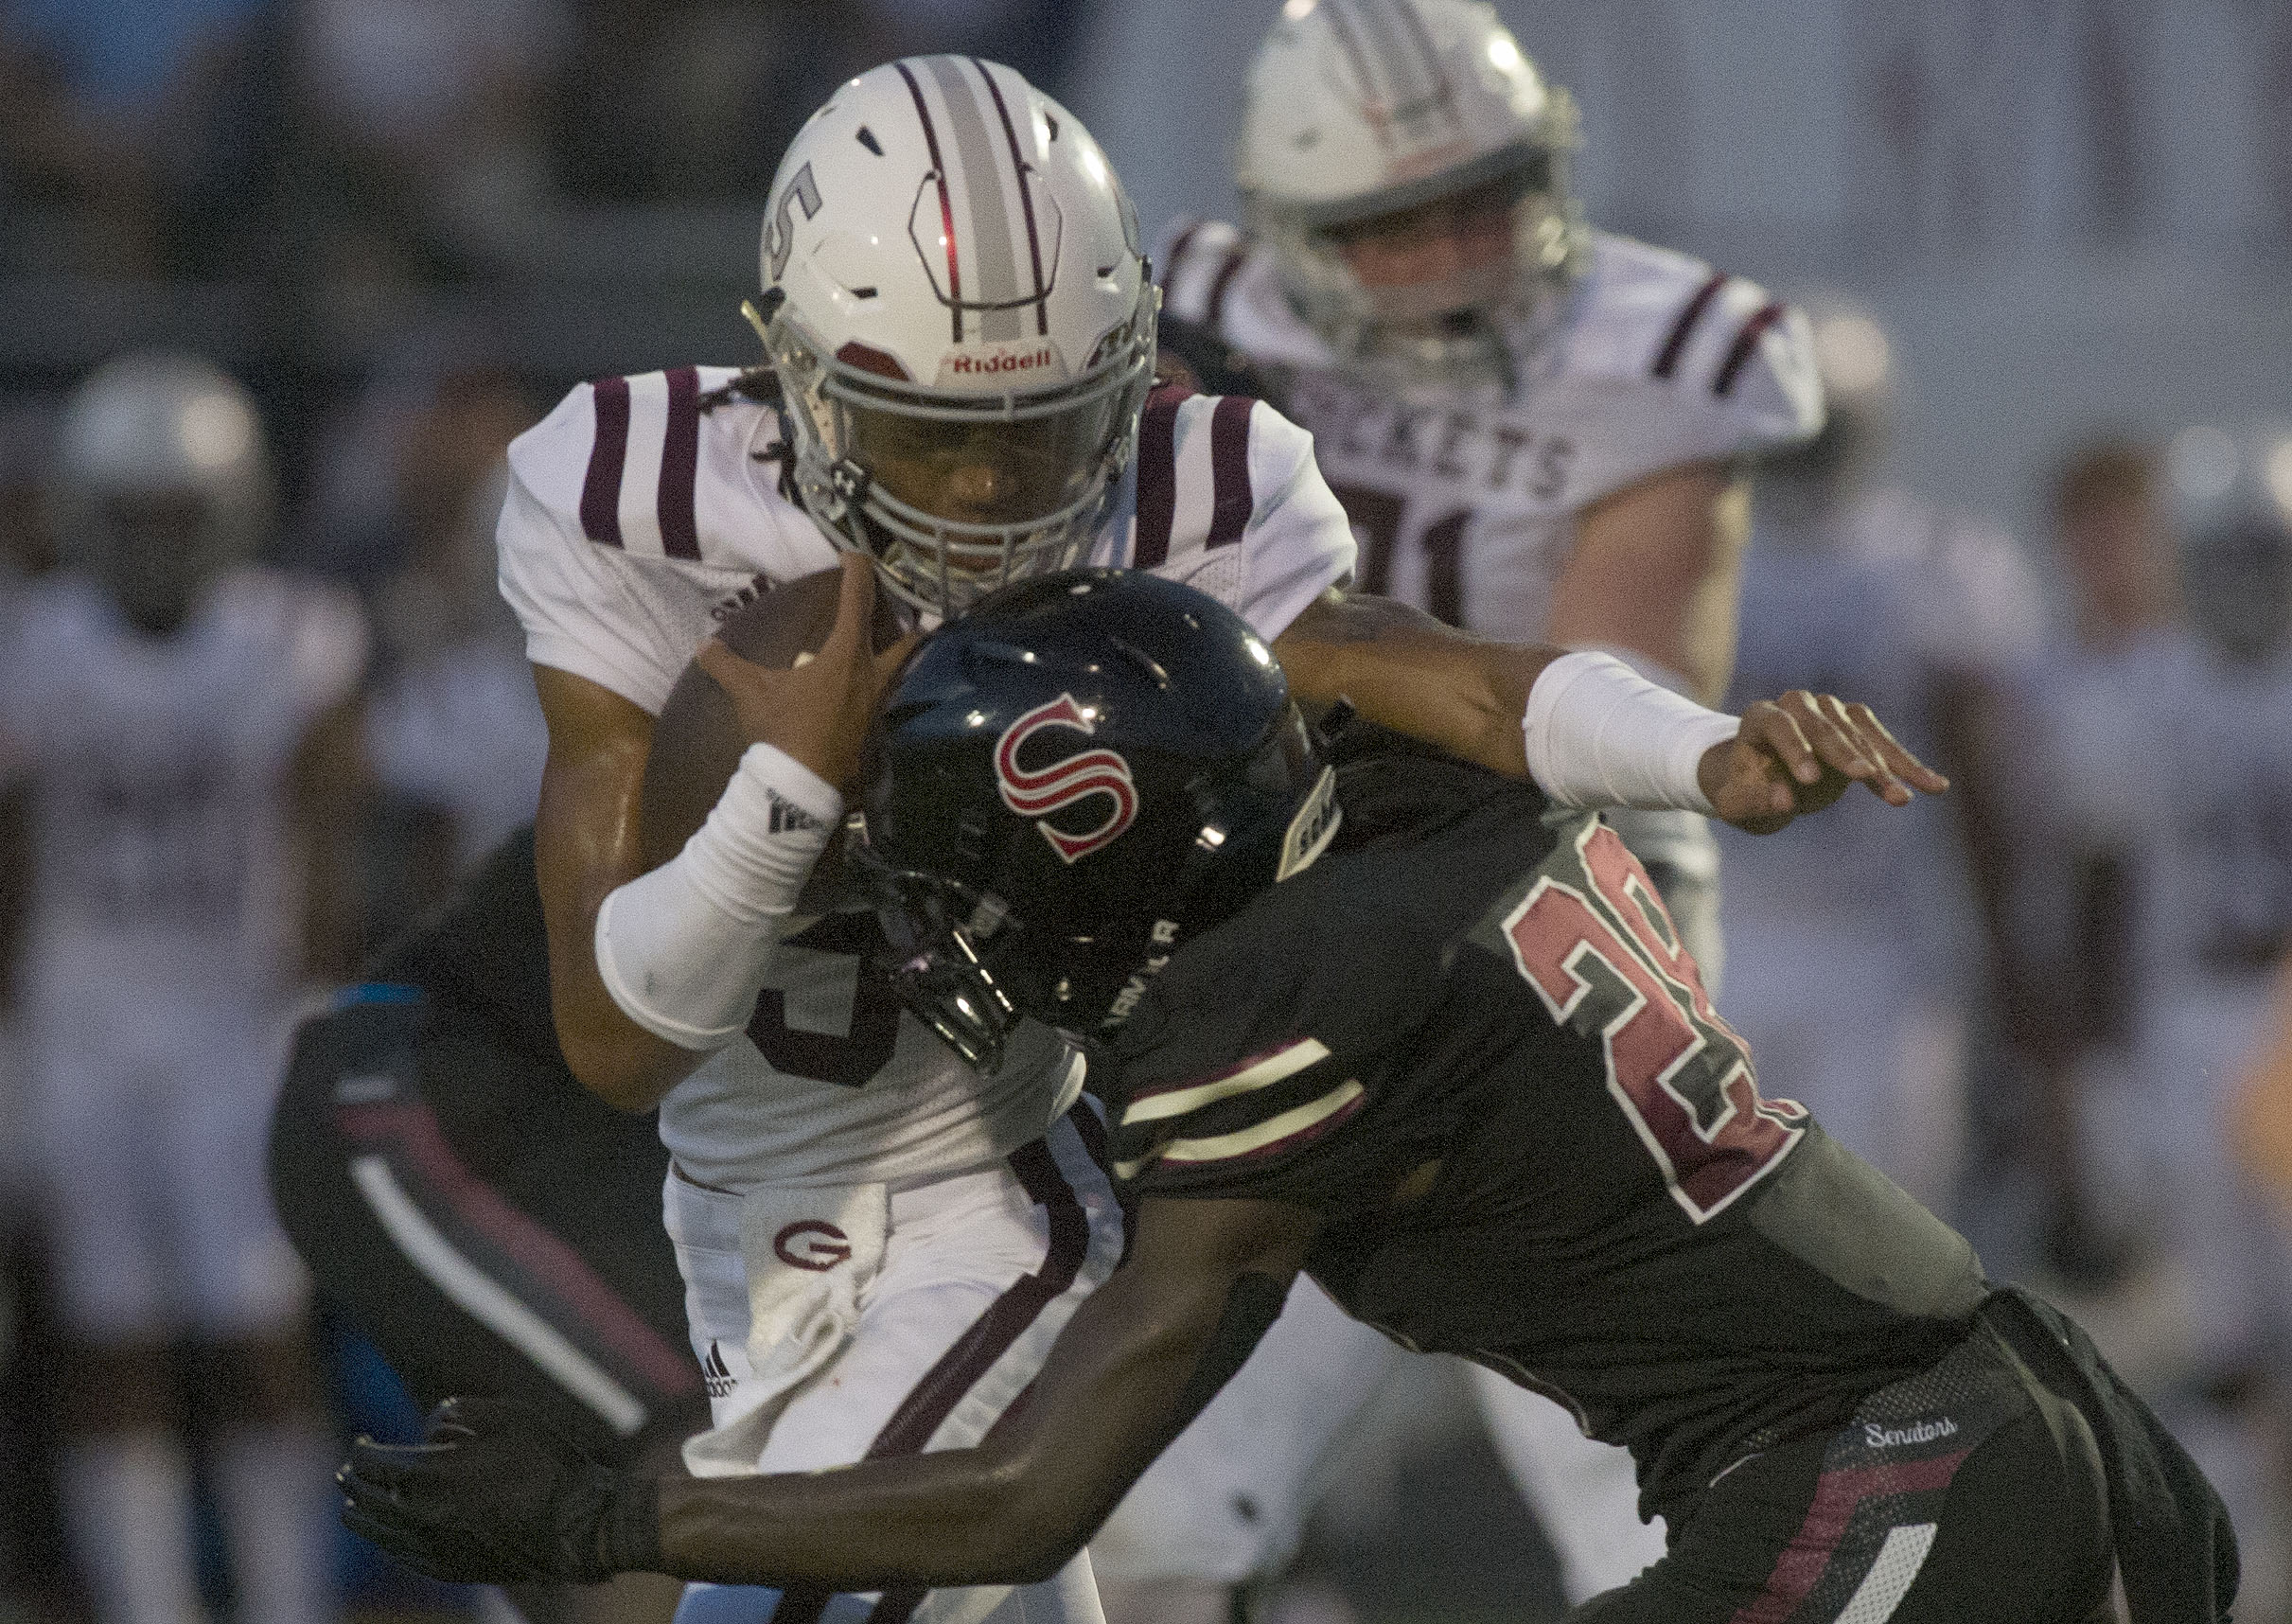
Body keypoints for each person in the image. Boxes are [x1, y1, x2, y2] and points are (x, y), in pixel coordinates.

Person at [293, 51, 1913, 1624]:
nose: (995, 487)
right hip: (745, 1214)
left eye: (1049, 424)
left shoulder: (1194, 488)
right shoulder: (636, 493)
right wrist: (785, 797)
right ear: (798, 375)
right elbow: (612, 1038)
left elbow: (1462, 685)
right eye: (934, 434)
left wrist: (1700, 752)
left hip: (986, 1201)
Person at [335, 569, 2235, 1623]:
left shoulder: (1271, 1016)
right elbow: (1426, 681)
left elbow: (1019, 1499)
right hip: (2023, 1389)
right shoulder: (1406, 806)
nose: (951, 944)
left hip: (1885, 1467)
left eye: (971, 892)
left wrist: (603, 1518)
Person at [1129, 0, 1822, 1604]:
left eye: (1480, 196)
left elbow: (1608, 693)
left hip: (1564, 903)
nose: (1449, 250)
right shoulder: (1192, 304)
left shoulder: (1658, 345)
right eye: (1389, 224)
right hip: (1292, 913)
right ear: (1286, 228)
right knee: (1155, 1508)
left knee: (1657, 1484)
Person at [0, 355, 365, 1624]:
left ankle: (286, 1603)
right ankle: (147, 1603)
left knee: (259, 1339)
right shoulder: (34, 641)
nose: (157, 546)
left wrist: (313, 1012)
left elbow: (324, 845)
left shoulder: (297, 637)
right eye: (133, 515)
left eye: (179, 515)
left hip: (233, 1026)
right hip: (82, 1022)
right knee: (111, 1341)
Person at [1716, 301, 2044, 1215]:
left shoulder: (1934, 564)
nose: (1805, 459)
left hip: (1881, 956)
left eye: (1824, 434)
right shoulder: (1701, 557)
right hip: (1719, 942)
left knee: (1876, 1237)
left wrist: (2011, 964)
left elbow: (1984, 797)